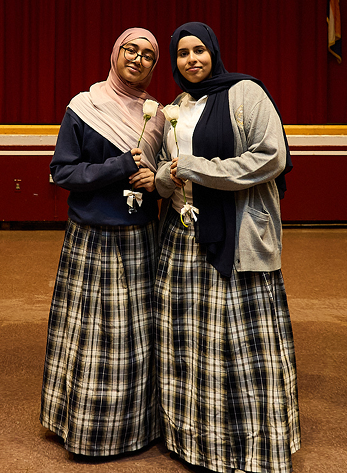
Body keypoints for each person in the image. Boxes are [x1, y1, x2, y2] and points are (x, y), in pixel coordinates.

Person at [154, 22, 301, 473]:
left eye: (199, 50)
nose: (192, 59)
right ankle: (193, 439)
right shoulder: (175, 106)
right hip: (182, 236)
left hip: (236, 236)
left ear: (213, 52)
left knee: (237, 344)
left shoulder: (246, 93)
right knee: (190, 342)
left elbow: (271, 156)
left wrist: (197, 169)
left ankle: (247, 444)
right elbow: (165, 168)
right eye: (182, 53)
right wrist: (166, 177)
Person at [40, 27, 165, 457]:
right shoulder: (84, 106)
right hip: (93, 236)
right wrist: (117, 166)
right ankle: (88, 430)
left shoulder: (159, 114)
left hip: (141, 237)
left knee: (135, 337)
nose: (138, 58)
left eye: (148, 55)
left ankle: (137, 427)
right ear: (115, 53)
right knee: (94, 337)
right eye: (130, 49)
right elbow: (63, 173)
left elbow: (164, 172)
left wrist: (157, 180)